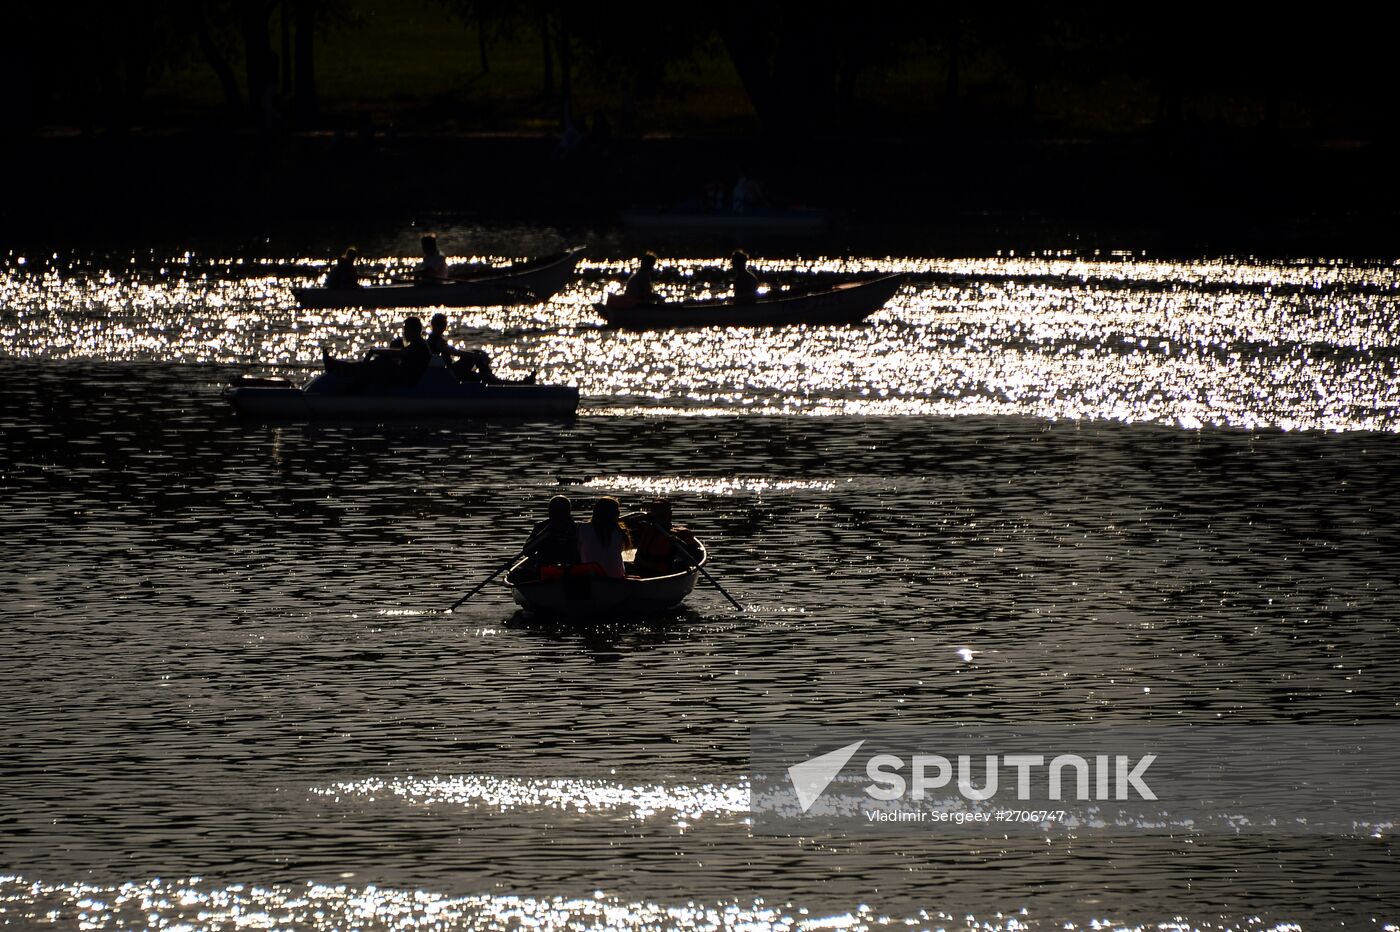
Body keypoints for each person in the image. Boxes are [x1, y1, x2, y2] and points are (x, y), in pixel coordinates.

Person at [426, 312, 537, 384]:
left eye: (444, 324)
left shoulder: (435, 339)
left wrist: (476, 355)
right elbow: (456, 352)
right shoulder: (436, 341)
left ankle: (492, 378)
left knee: (476, 355)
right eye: (441, 324)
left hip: (451, 371)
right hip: (450, 375)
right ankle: (516, 384)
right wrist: (477, 357)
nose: (443, 327)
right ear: (435, 325)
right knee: (481, 369)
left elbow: (458, 353)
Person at [322, 316, 432, 387]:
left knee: (380, 364)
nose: (404, 333)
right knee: (377, 364)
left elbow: (400, 354)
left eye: (406, 330)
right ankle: (338, 367)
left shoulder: (419, 346)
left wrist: (375, 351)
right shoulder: (417, 344)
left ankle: (339, 369)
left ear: (413, 331)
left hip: (407, 381)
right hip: (403, 377)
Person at [623, 499, 699, 578]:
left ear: (669, 514)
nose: (658, 518)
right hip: (639, 568)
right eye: (655, 514)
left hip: (660, 574)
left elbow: (695, 554)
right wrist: (644, 516)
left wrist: (679, 542)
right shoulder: (645, 527)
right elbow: (624, 523)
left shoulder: (680, 533)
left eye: (661, 515)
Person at [524, 496, 582, 576]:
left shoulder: (578, 528)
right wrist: (544, 532)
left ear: (568, 512)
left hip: (573, 573)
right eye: (555, 512)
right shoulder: (541, 527)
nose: (558, 515)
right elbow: (527, 551)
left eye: (561, 511)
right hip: (545, 573)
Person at [576, 497, 631, 579]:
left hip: (592, 578)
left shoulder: (582, 529)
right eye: (617, 511)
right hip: (617, 578)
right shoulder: (619, 532)